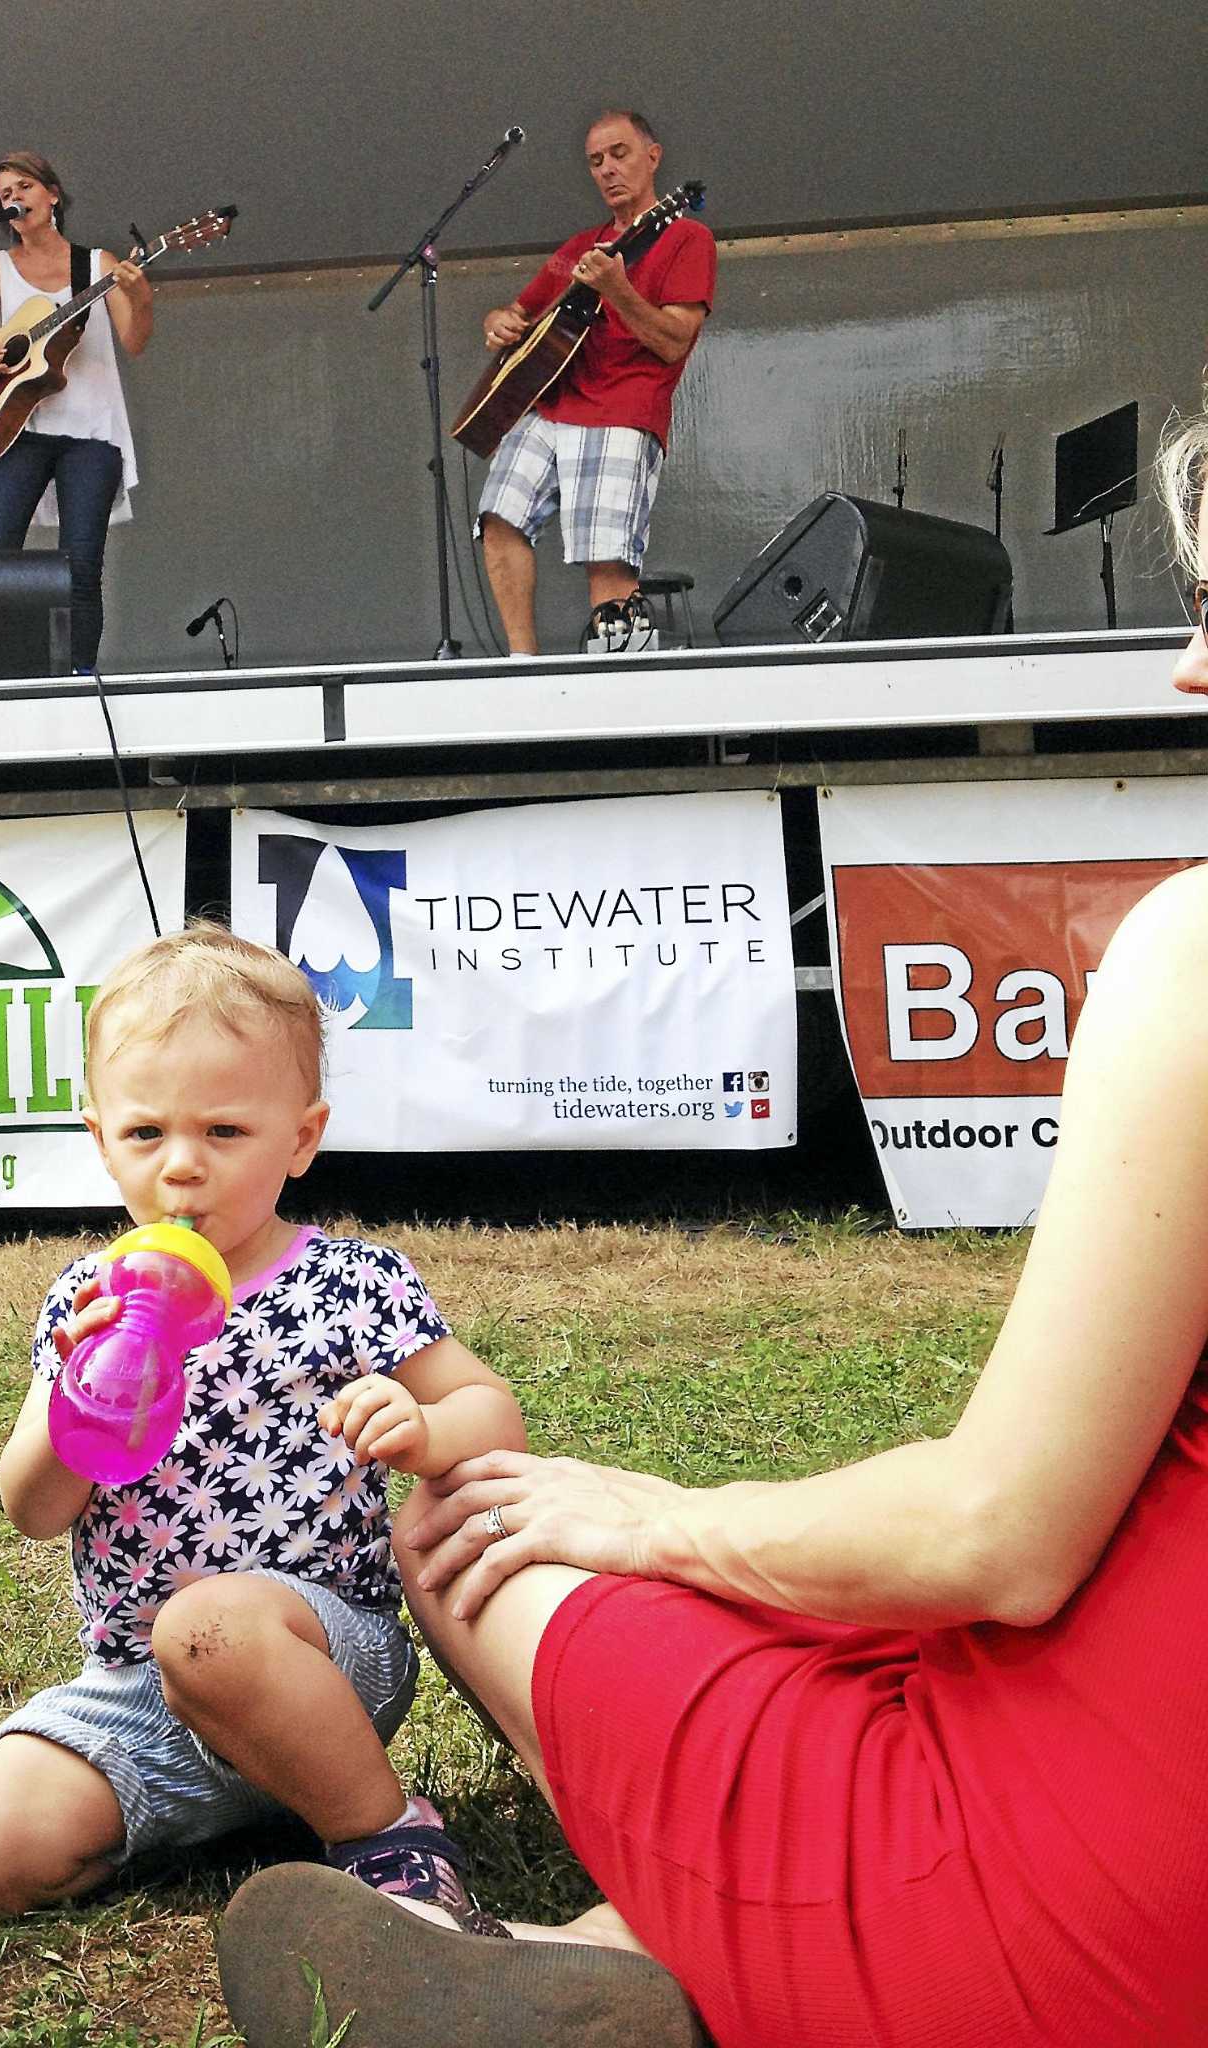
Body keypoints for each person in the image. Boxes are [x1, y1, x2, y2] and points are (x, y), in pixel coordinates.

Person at [218, 411, 1208, 2044]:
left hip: (1089, 1900)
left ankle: (641, 1963)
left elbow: (996, 1536)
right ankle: (591, 1960)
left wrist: (656, 1512)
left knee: (469, 1528)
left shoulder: (1195, 947)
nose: (1186, 669)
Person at [0, 927, 527, 1923]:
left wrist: (422, 1425)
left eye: (223, 1132)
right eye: (145, 1134)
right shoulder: (89, 1300)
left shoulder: (350, 1282)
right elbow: (33, 1506)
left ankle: (386, 1833)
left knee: (209, 1626)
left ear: (300, 1137)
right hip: (141, 1688)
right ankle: (245, 1804)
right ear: (97, 1137)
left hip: (321, 1651)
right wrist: (77, 1401)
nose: (181, 1168)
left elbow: (491, 1410)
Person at [474, 111, 714, 656]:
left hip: (623, 409)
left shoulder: (686, 238)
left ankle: (617, 682)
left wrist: (619, 288)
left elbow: (675, 340)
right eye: (596, 161)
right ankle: (522, 663)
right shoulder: (582, 244)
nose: (607, 169)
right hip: (552, 407)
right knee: (499, 517)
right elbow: (516, 310)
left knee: (605, 556)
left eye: (619, 154)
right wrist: (497, 322)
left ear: (653, 156)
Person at [0, 150, 154, 675]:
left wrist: (140, 298)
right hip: (15, 432)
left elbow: (134, 341)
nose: (14, 199)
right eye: (5, 194)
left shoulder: (97, 266)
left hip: (90, 434)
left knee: (82, 568)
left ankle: (75, 682)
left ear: (53, 195)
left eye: (24, 187)